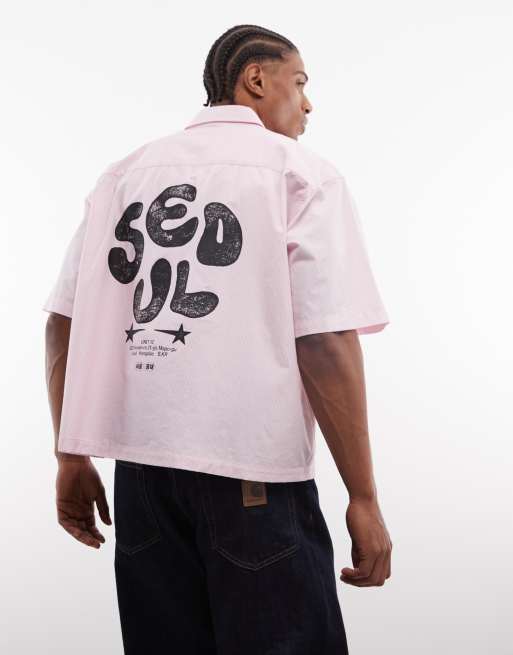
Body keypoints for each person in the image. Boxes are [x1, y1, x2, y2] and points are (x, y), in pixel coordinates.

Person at [44, 23, 392, 655]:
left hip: (142, 481)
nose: (308, 103)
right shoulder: (299, 175)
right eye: (300, 83)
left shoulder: (124, 175)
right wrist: (363, 497)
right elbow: (325, 341)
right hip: (253, 479)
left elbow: (63, 321)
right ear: (256, 79)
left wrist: (70, 457)